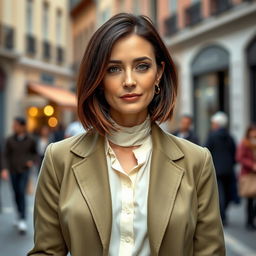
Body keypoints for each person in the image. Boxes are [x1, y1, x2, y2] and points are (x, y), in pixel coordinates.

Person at [28, 13, 225, 256]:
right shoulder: (59, 159)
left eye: (142, 66)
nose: (129, 81)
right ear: (99, 79)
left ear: (159, 74)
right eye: (114, 69)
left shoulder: (197, 161)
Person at [4, 117, 37, 234]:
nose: (14, 126)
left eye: (16, 124)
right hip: (12, 170)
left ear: (23, 126)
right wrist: (4, 169)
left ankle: (22, 219)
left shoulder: (31, 139)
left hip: (24, 170)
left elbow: (35, 154)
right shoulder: (9, 140)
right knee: (16, 193)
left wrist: (31, 160)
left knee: (21, 192)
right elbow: (5, 155)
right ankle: (18, 214)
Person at [205, 111, 236, 226]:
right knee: (227, 191)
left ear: (217, 124)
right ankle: (224, 214)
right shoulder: (229, 136)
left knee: (219, 192)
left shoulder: (212, 136)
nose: (212, 125)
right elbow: (234, 151)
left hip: (216, 168)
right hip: (228, 168)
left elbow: (206, 151)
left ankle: (221, 215)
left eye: (213, 123)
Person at [236, 124, 256, 231]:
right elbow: (239, 157)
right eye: (252, 131)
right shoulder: (244, 143)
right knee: (249, 199)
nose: (254, 133)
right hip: (248, 174)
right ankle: (249, 221)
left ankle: (252, 219)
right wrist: (252, 165)